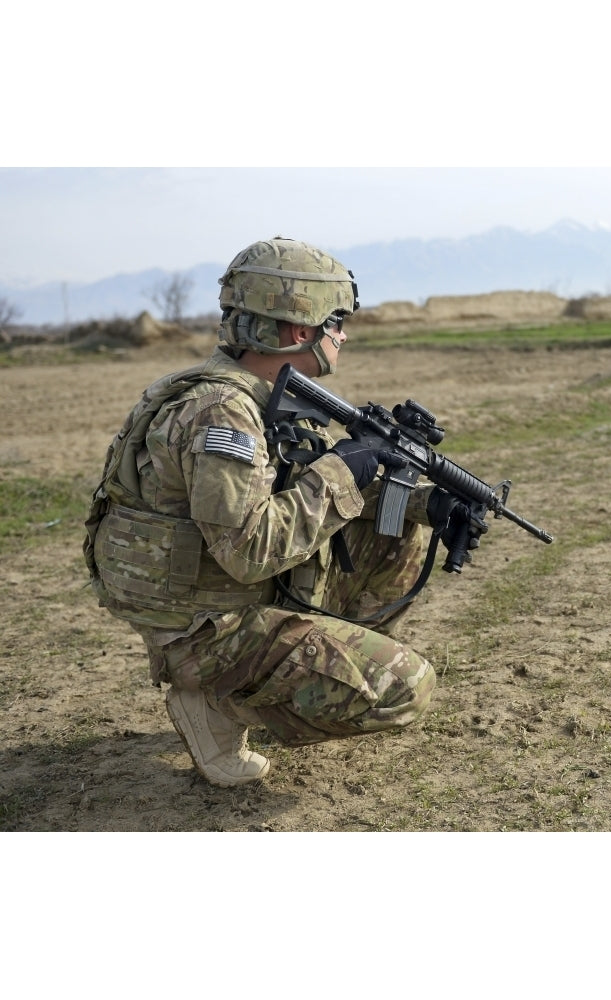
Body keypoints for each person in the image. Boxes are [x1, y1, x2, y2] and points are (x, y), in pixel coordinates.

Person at [84, 237, 448, 787]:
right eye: (337, 323)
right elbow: (250, 552)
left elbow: (293, 495)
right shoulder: (222, 413)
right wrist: (343, 471)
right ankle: (217, 706)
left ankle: (305, 668)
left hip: (226, 600)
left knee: (396, 530)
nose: (343, 336)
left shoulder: (262, 397)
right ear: (300, 330)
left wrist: (428, 503)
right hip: (203, 628)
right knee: (405, 690)